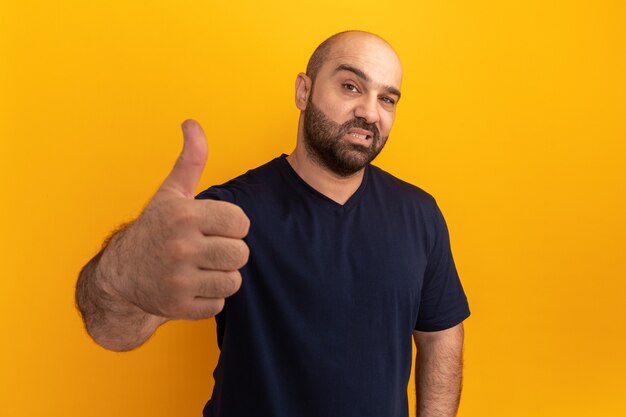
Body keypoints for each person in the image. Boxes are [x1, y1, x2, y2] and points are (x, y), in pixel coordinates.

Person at [76, 30, 470, 417]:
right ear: (304, 91)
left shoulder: (420, 214)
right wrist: (124, 268)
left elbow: (440, 335)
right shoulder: (226, 213)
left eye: (387, 98)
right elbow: (111, 330)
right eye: (351, 86)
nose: (370, 112)